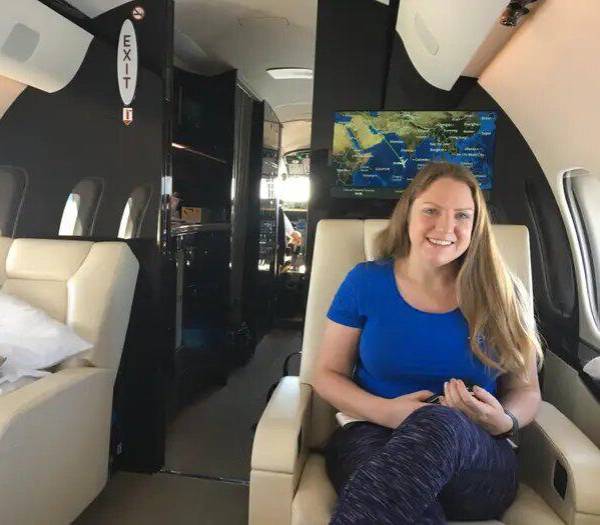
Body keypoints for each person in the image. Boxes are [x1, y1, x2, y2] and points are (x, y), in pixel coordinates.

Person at [314, 162, 543, 524]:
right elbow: (327, 374)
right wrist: (387, 412)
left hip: (475, 457)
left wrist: (504, 420)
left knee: (438, 422)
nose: (445, 228)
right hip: (374, 435)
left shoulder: (505, 293)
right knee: (405, 501)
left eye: (462, 216)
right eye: (432, 211)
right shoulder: (365, 282)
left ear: (476, 226)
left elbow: (526, 389)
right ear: (408, 213)